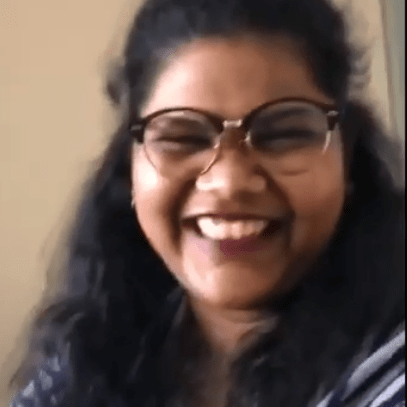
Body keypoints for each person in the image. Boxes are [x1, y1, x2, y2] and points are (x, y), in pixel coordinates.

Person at [8, 0, 405, 406]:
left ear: (347, 156)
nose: (229, 182)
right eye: (183, 137)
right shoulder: (89, 358)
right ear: (129, 166)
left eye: (283, 134)